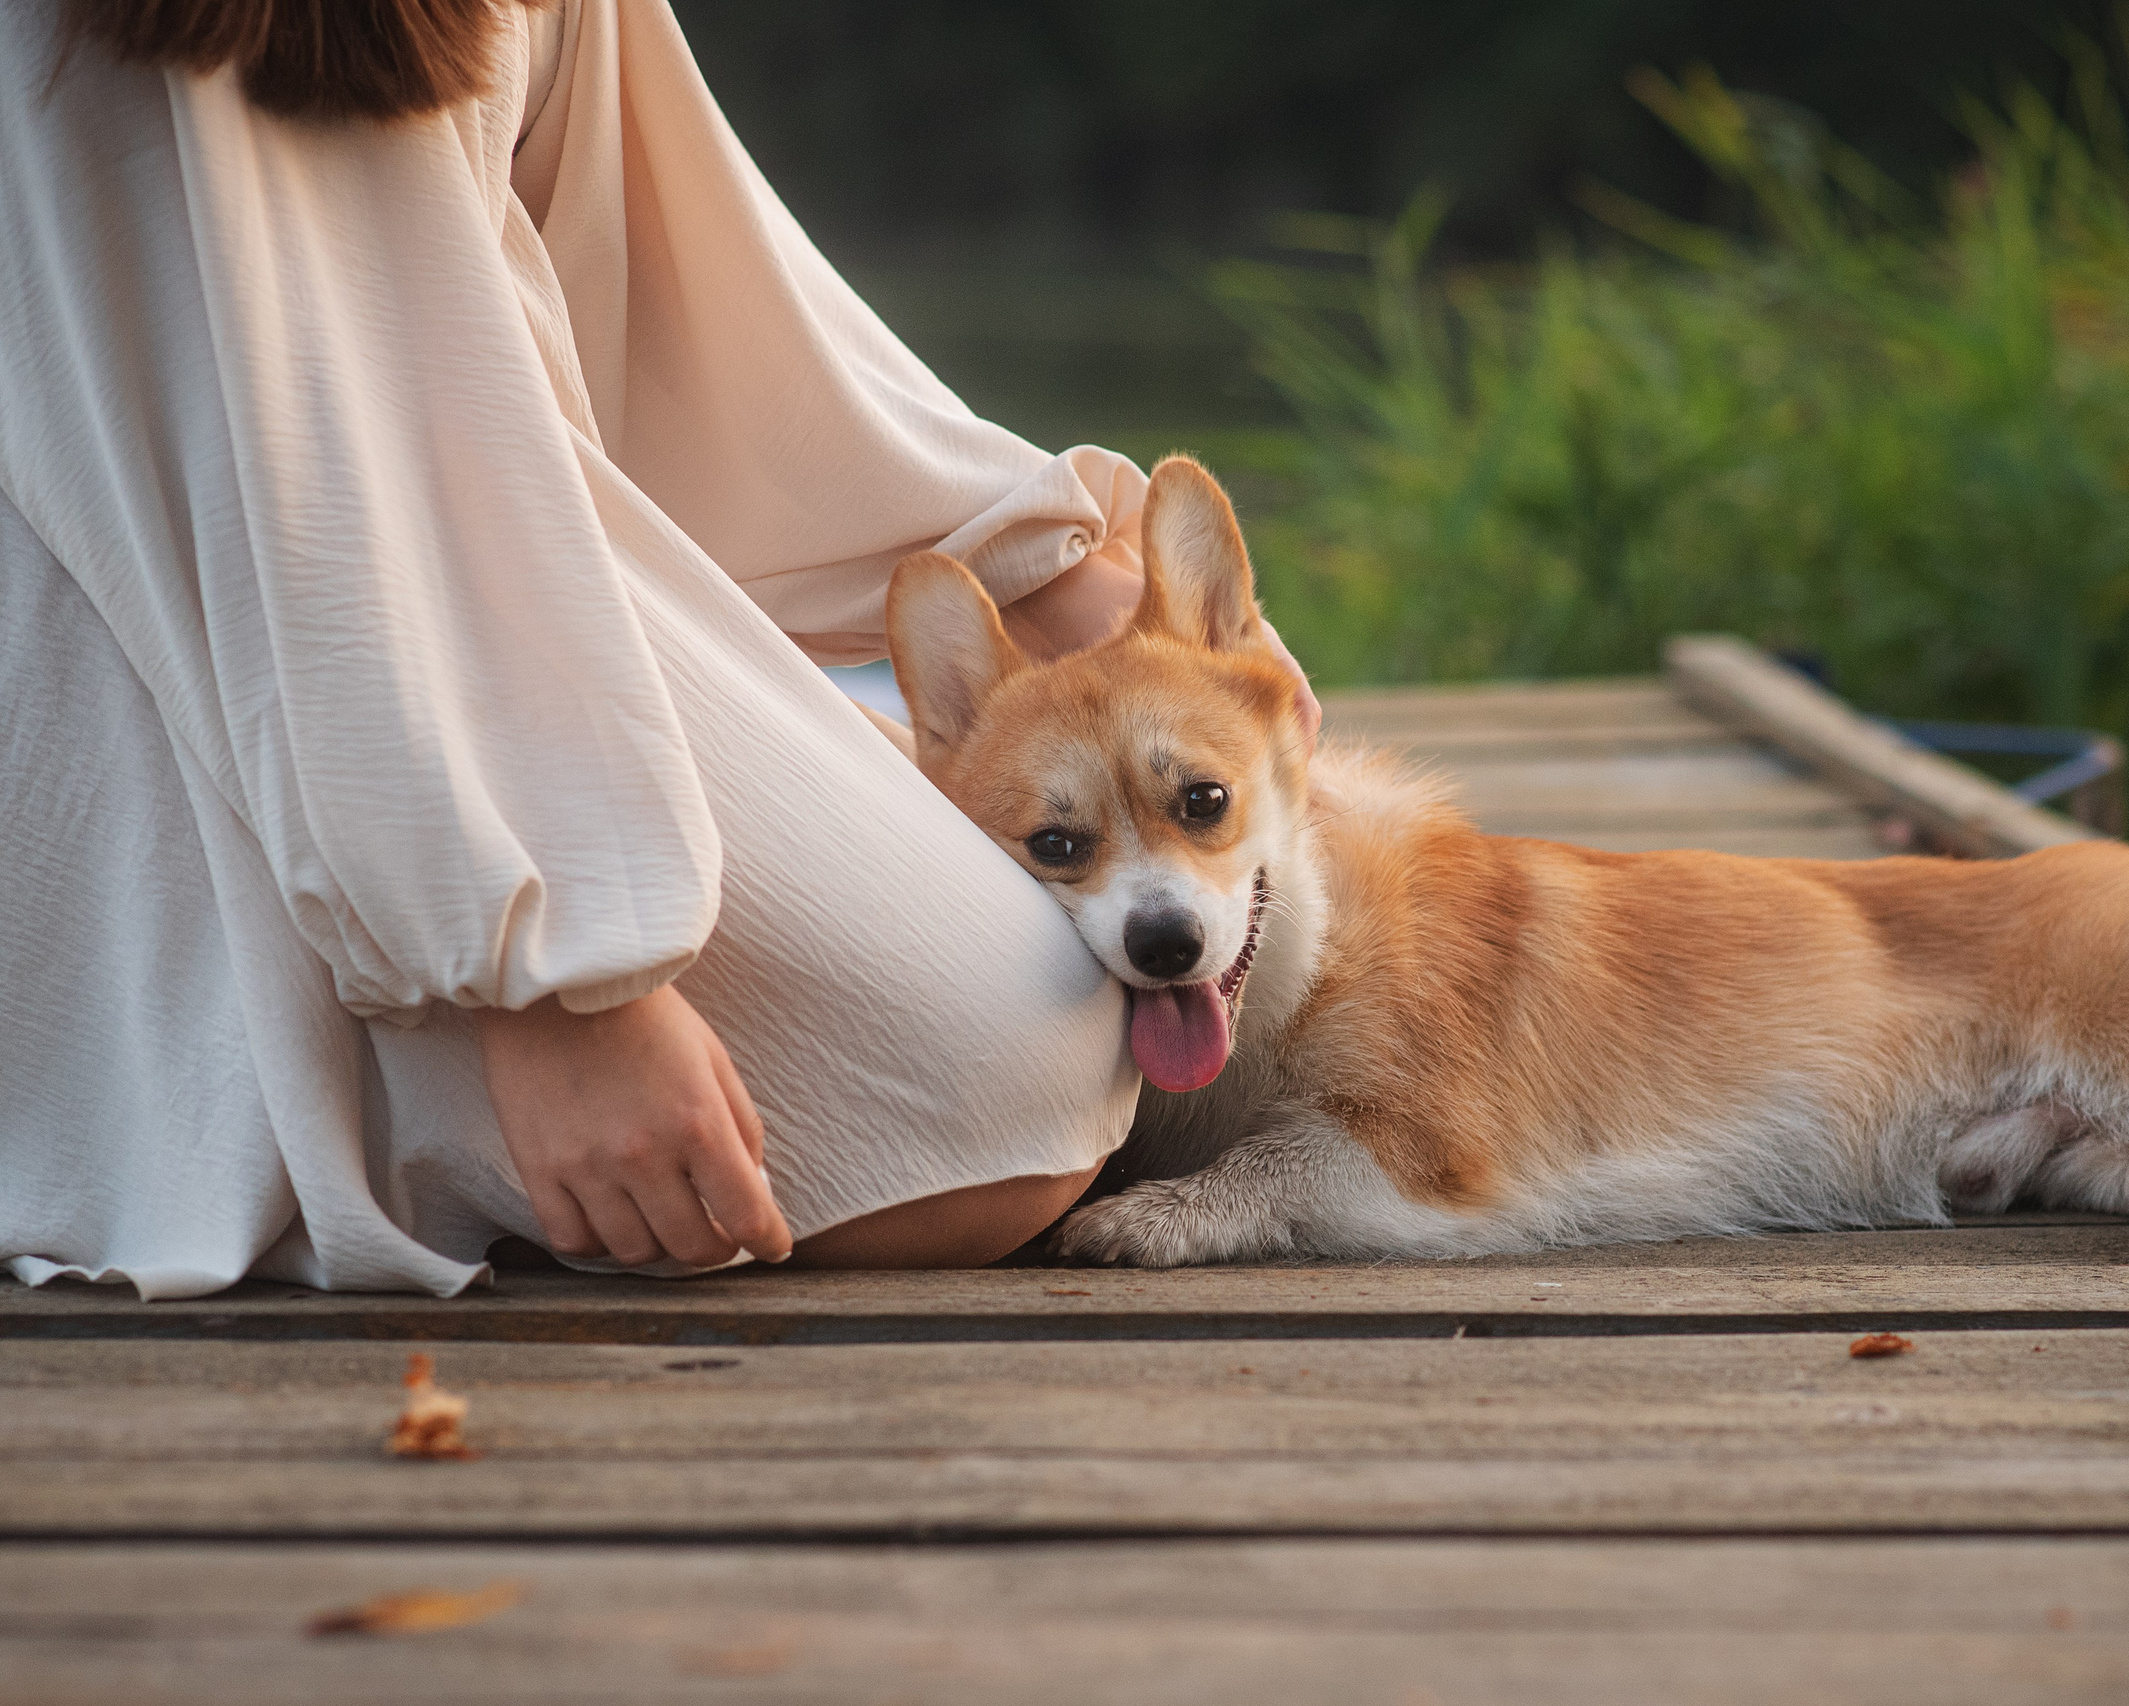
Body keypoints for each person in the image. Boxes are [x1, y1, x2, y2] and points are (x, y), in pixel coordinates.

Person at [0, 0, 1314, 1300]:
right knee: (997, 1086)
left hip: (493, 516)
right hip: (173, 608)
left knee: (1043, 1028)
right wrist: (544, 979)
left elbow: (650, 236)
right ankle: (241, 1052)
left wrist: (1036, 562)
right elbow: (295, 475)